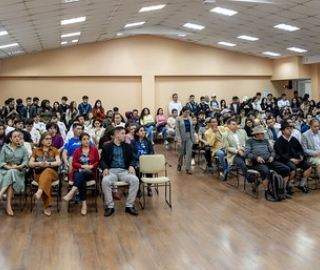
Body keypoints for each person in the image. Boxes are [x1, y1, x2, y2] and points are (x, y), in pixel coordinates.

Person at [100, 126, 139, 217]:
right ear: (116, 135)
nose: (125, 135)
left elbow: (134, 158)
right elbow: (102, 160)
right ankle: (110, 206)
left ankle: (129, 205)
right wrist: (105, 168)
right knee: (105, 181)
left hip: (124, 171)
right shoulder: (107, 147)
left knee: (135, 180)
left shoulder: (128, 146)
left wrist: (131, 166)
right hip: (112, 171)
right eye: (122, 133)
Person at [244, 125, 291, 201]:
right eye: (262, 134)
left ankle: (282, 190)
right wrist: (256, 158)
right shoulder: (249, 142)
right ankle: (267, 192)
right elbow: (246, 154)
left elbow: (272, 151)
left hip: (269, 161)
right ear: (256, 135)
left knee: (286, 169)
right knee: (265, 171)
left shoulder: (265, 141)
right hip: (257, 163)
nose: (264, 135)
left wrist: (272, 156)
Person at [63, 132, 99, 215]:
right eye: (84, 139)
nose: (86, 141)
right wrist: (82, 166)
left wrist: (91, 166)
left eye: (88, 139)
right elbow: (74, 163)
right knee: (81, 178)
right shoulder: (77, 150)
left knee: (82, 174)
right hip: (78, 171)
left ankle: (72, 192)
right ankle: (84, 205)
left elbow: (97, 161)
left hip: (90, 172)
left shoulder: (94, 149)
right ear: (80, 141)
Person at [29, 132, 61, 216]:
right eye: (46, 139)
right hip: (39, 174)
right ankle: (46, 206)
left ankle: (39, 191)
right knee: (46, 180)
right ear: (42, 141)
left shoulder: (54, 150)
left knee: (47, 170)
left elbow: (58, 162)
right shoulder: (36, 150)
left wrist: (49, 164)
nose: (49, 140)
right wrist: (39, 164)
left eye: (50, 139)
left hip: (52, 173)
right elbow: (30, 164)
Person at [274, 121, 312, 194]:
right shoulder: (279, 142)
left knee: (308, 166)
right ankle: (289, 185)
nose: (290, 130)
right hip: (286, 160)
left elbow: (300, 149)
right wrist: (291, 159)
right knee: (292, 168)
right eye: (288, 128)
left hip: (297, 159)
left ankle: (301, 184)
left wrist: (301, 156)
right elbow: (281, 154)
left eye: (290, 128)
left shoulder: (294, 139)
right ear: (283, 131)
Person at [0, 130, 29, 216]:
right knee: (10, 177)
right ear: (10, 139)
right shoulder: (5, 148)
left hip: (18, 171)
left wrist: (17, 166)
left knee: (12, 172)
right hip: (5, 171)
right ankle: (8, 205)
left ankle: (1, 193)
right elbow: (1, 162)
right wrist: (8, 167)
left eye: (19, 137)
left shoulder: (23, 149)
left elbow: (25, 162)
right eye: (15, 137)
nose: (17, 138)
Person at [131, 125, 155, 196]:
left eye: (144, 130)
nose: (143, 132)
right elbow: (131, 153)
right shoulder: (133, 142)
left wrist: (147, 158)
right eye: (141, 131)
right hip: (137, 160)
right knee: (137, 168)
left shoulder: (148, 141)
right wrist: (139, 158)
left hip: (147, 160)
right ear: (137, 133)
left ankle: (149, 187)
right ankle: (138, 188)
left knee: (149, 168)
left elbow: (152, 151)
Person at [175, 106, 194, 175]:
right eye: (186, 112)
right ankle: (179, 164)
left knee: (189, 153)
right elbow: (177, 130)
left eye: (188, 112)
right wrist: (179, 140)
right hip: (182, 137)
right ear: (182, 112)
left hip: (189, 137)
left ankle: (188, 168)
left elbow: (192, 129)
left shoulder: (190, 118)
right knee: (181, 153)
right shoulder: (178, 119)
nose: (187, 114)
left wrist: (193, 138)